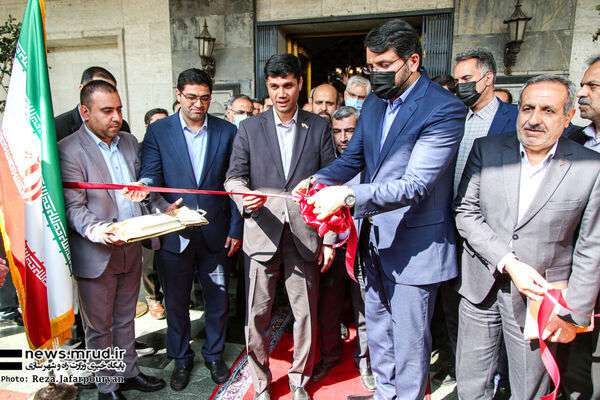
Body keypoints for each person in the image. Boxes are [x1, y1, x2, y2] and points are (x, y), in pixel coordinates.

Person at [296, 19, 467, 400]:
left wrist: (348, 197)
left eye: (385, 66)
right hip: (373, 239)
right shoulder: (373, 102)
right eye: (371, 67)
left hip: (415, 245)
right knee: (378, 329)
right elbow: (353, 158)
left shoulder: (444, 109)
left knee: (409, 341)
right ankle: (385, 394)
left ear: (413, 61)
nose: (377, 75)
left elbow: (416, 184)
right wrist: (320, 180)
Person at [454, 74, 600, 400]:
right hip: (481, 288)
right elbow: (465, 212)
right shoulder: (488, 150)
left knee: (529, 390)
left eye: (548, 110)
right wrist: (509, 263)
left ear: (568, 117)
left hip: (541, 301)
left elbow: (592, 246)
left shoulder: (591, 167)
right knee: (471, 385)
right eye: (527, 108)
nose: (534, 119)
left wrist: (573, 315)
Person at [225, 53, 336, 400]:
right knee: (257, 315)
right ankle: (260, 382)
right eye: (274, 86)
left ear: (299, 85)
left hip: (305, 236)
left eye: (288, 85)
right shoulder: (249, 128)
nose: (281, 93)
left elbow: (332, 181)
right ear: (267, 88)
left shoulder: (317, 126)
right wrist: (243, 198)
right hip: (261, 231)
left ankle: (299, 379)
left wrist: (329, 238)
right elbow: (233, 177)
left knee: (305, 314)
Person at [59, 80, 167, 400]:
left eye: (118, 109)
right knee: (99, 327)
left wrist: (164, 209)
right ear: (85, 112)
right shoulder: (68, 149)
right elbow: (74, 208)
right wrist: (99, 231)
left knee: (125, 318)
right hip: (96, 251)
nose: (116, 117)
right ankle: (107, 386)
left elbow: (143, 191)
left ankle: (129, 372)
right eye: (107, 111)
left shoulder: (130, 143)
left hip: (131, 248)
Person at [139, 68, 242, 390]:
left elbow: (237, 181)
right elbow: (151, 175)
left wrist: (236, 228)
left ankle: (214, 355)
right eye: (192, 97)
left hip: (217, 232)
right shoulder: (160, 132)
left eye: (205, 98)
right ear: (178, 94)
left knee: (218, 299)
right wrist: (152, 198)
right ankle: (180, 359)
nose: (199, 104)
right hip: (175, 232)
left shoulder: (227, 132)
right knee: (176, 302)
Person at [311, 106, 375, 391]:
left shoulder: (371, 158)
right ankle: (330, 356)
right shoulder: (325, 161)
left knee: (365, 307)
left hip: (364, 243)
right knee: (329, 306)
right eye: (337, 131)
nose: (343, 137)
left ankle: (366, 362)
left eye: (350, 130)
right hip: (331, 246)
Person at [559, 55, 600, 400]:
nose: (582, 93)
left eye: (593, 86)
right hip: (566, 271)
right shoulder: (571, 138)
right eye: (582, 84)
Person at [453, 48, 519, 194]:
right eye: (456, 81)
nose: (460, 85)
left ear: (488, 78)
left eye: (466, 78)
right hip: (448, 210)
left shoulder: (516, 118)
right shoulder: (452, 117)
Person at [54, 66, 131, 141]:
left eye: (110, 88)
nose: (116, 118)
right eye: (97, 87)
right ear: (82, 89)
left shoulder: (122, 127)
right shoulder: (56, 127)